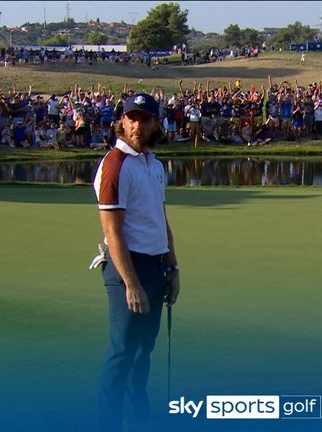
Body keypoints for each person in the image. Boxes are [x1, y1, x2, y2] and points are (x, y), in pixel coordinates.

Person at [93, 93, 180, 432]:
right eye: (132, 118)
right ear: (122, 121)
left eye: (145, 119)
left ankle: (138, 416)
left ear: (156, 123)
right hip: (129, 268)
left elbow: (161, 217)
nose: (137, 125)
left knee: (144, 350)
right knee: (123, 351)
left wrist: (173, 267)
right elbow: (113, 231)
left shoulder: (154, 164)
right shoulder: (115, 165)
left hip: (157, 266)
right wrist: (131, 283)